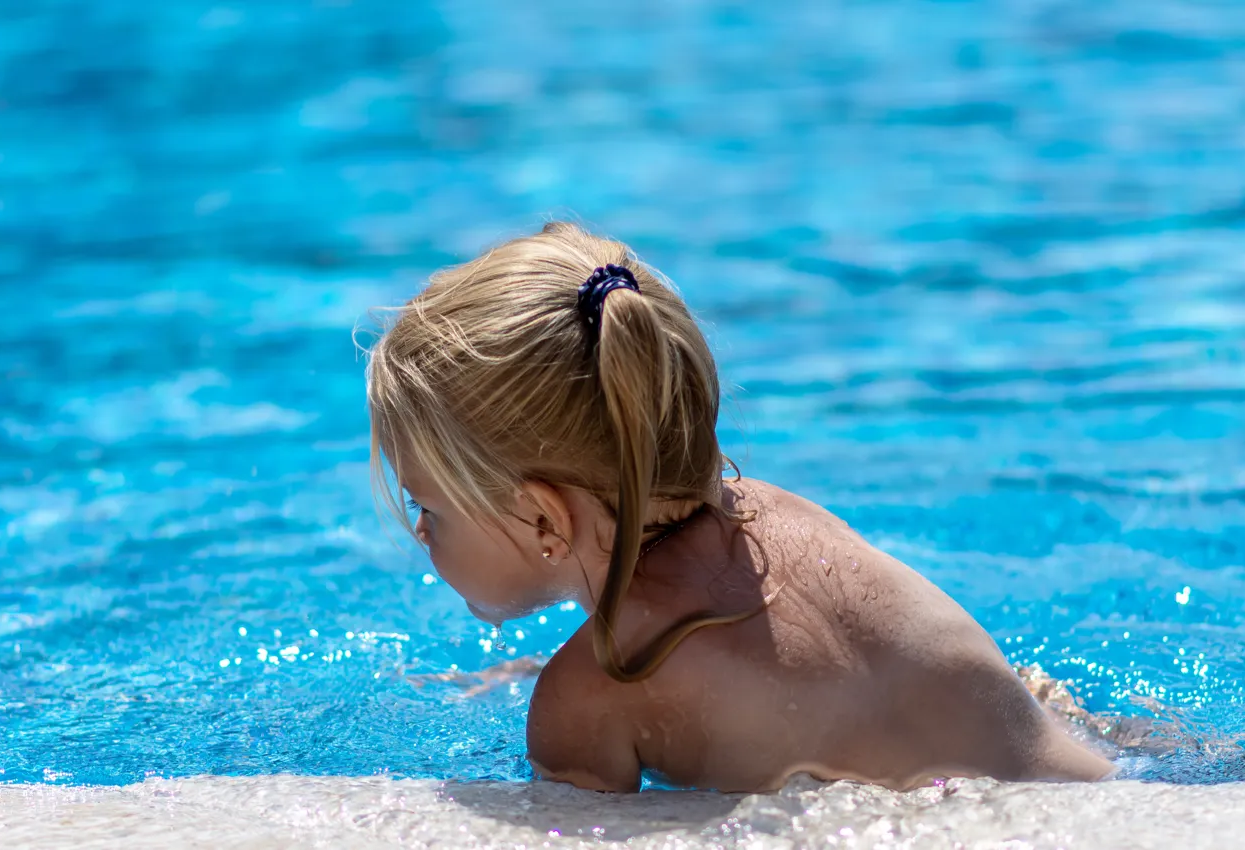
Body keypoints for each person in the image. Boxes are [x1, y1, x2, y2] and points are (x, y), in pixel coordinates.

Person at [366, 221, 1115, 792]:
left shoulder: (587, 699)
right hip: (1108, 787)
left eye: (427, 507)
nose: (424, 532)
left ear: (542, 521)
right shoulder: (775, 511)